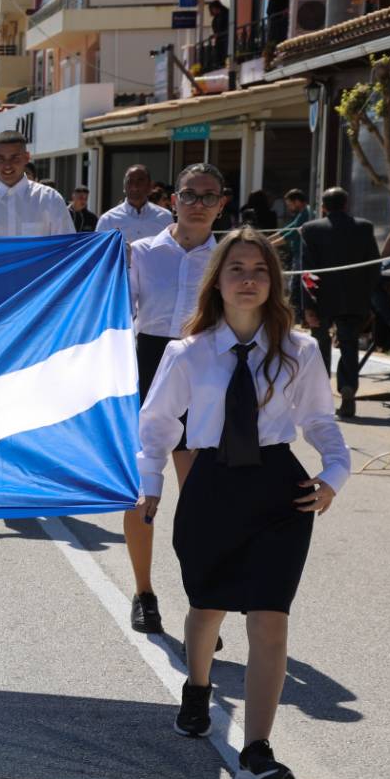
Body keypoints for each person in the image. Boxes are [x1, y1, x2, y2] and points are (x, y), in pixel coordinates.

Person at [138, 227, 348, 779]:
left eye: (259, 270)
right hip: (212, 487)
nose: (248, 279)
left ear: (273, 282)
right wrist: (150, 482)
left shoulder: (298, 350)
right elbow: (156, 424)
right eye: (237, 269)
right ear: (219, 281)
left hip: (281, 491)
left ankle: (257, 750)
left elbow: (322, 425)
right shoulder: (189, 352)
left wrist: (333, 476)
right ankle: (198, 688)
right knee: (207, 610)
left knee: (270, 621)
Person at [123, 163, 227, 635]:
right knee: (142, 493)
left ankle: (201, 602)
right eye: (190, 195)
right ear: (174, 200)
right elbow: (119, 315)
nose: (199, 205)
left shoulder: (230, 257)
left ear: (222, 203)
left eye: (209, 196)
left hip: (202, 375)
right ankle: (144, 593)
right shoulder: (142, 253)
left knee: (201, 502)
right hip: (148, 365)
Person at [300, 187, 380, 419]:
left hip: (321, 298)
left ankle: (321, 396)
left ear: (323, 207)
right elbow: (373, 266)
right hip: (354, 298)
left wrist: (308, 305)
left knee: (320, 344)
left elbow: (308, 270)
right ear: (347, 204)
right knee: (349, 345)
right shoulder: (364, 227)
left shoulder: (311, 229)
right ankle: (347, 390)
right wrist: (367, 298)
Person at [96, 165, 172, 245]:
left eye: (140, 181)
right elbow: (99, 253)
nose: (135, 186)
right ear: (124, 187)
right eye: (130, 181)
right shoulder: (108, 220)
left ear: (150, 186)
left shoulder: (165, 217)